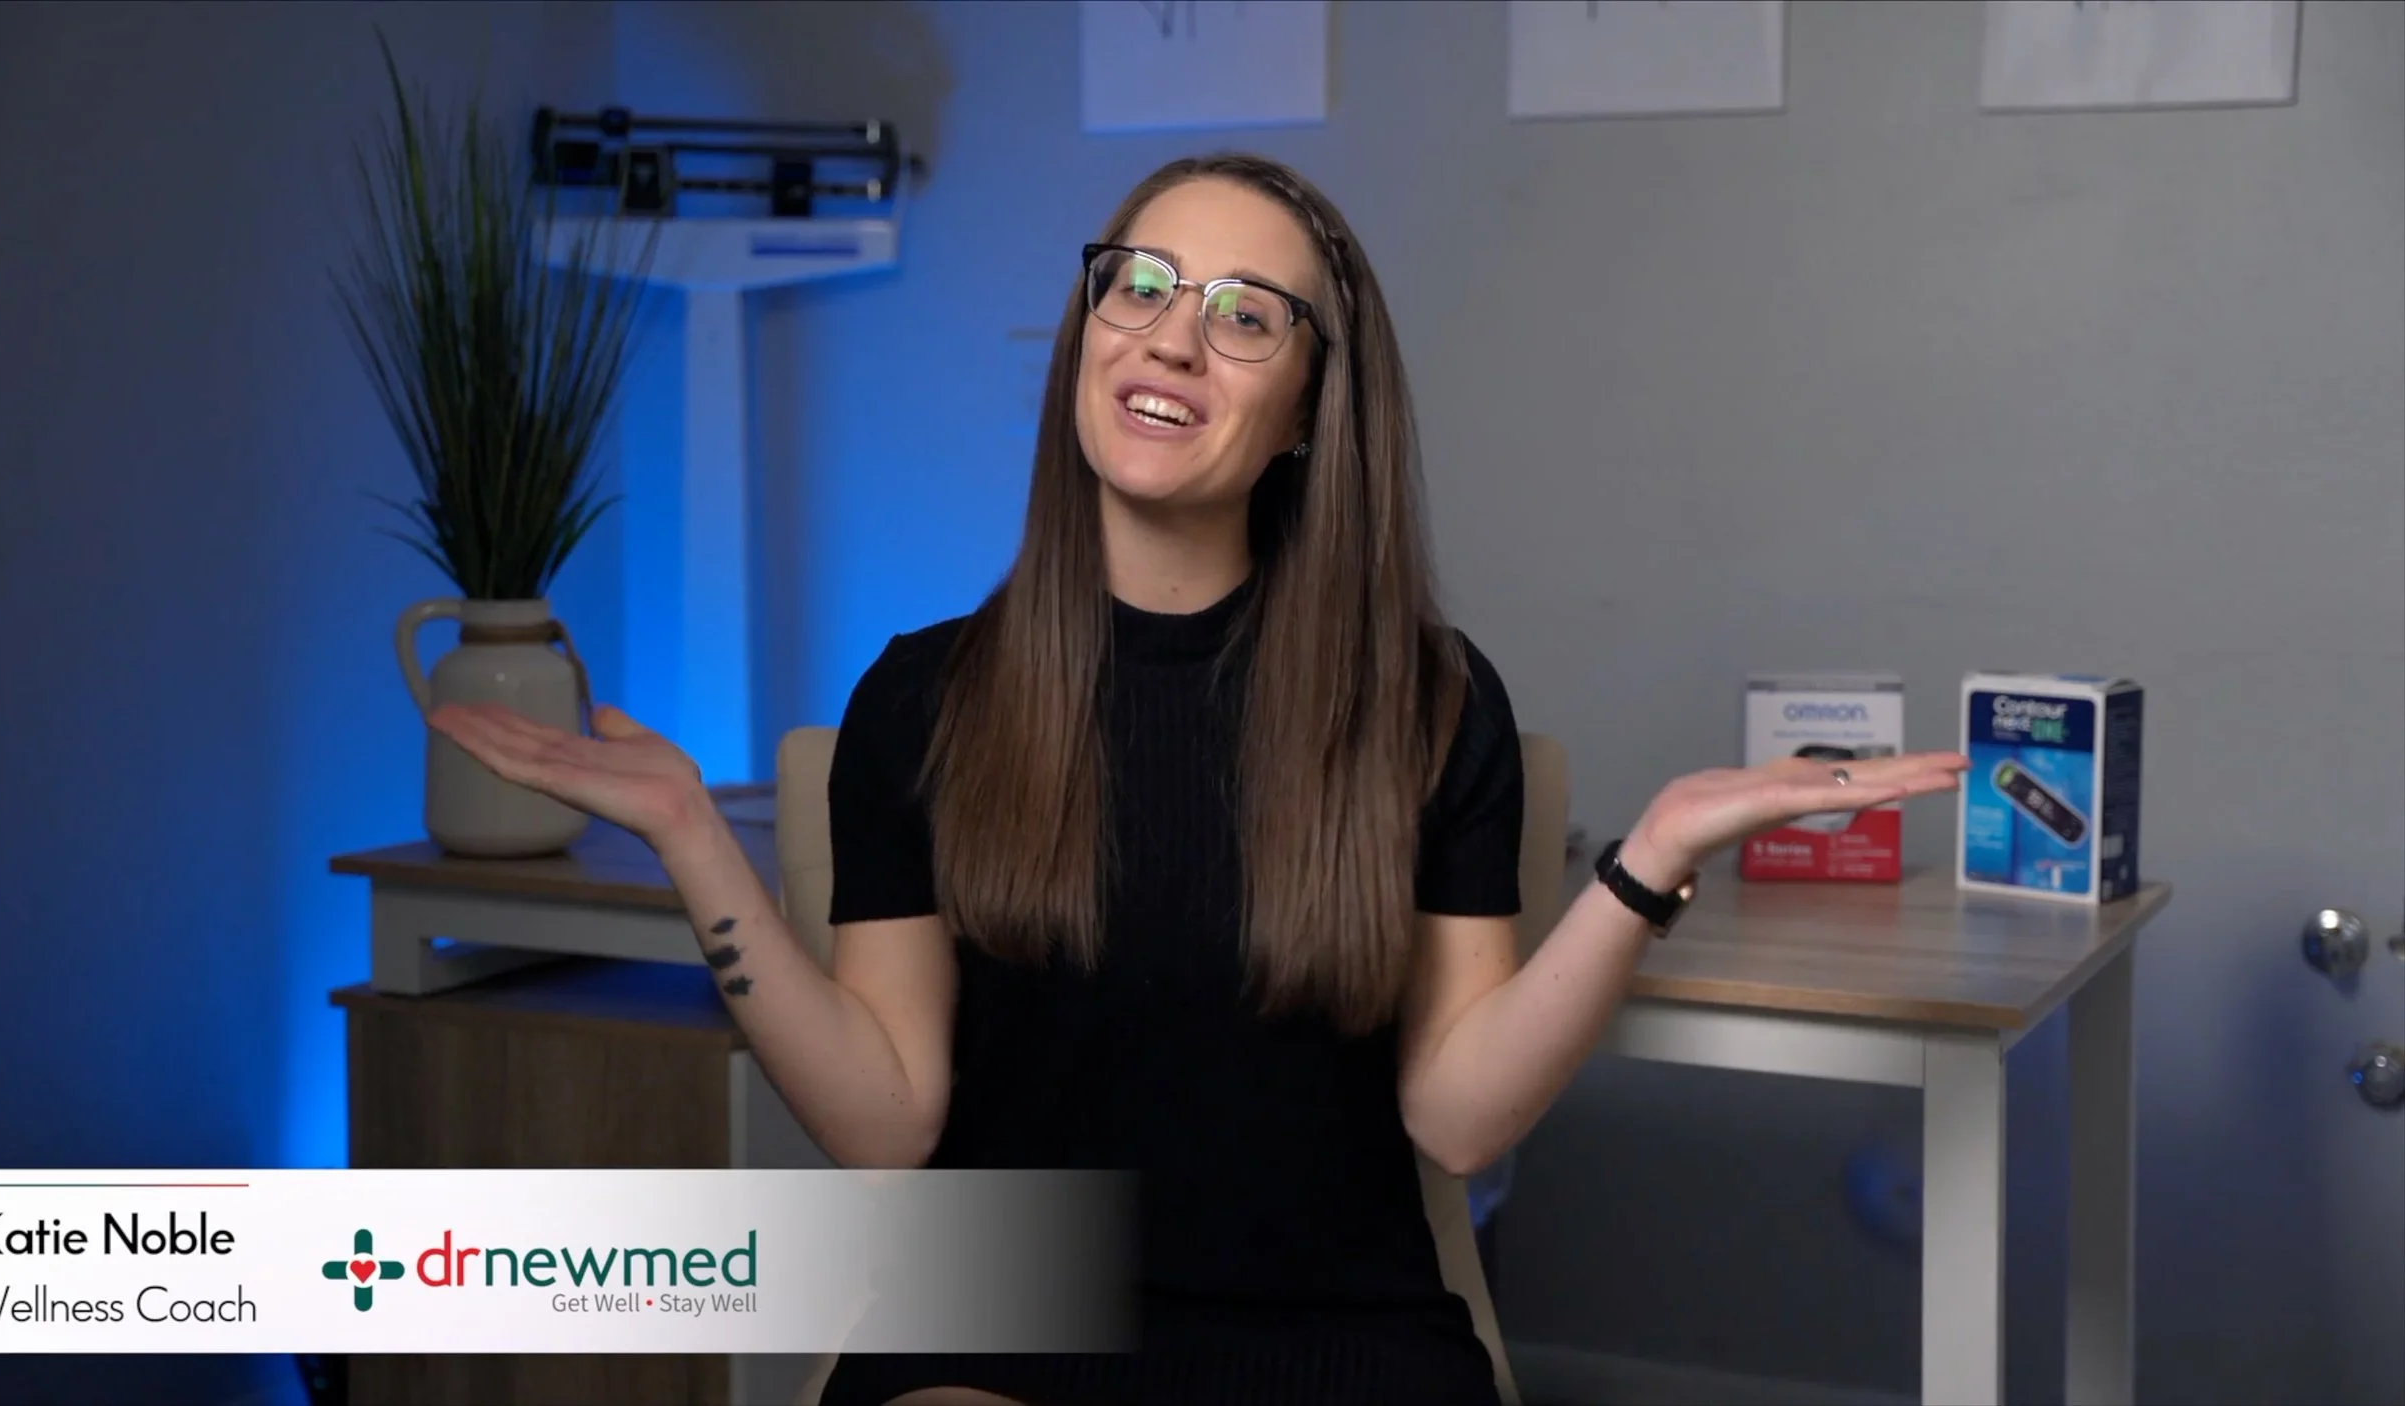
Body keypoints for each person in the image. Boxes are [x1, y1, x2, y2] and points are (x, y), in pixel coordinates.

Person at [427, 152, 1967, 1406]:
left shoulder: (1425, 699)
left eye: (1245, 315)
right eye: (1142, 287)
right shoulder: (924, 697)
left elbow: (1459, 1115)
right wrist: (700, 839)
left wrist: (1655, 860)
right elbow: (888, 1119)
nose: (1170, 334)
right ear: (1091, 329)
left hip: (1336, 1331)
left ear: (1310, 407)